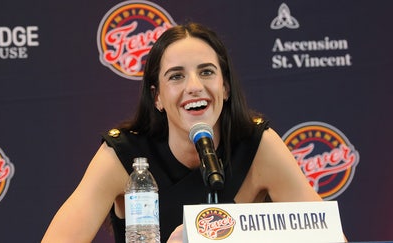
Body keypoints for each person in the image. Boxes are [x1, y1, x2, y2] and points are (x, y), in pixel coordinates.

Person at [42, 22, 325, 243]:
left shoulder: (257, 145)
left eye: (206, 72)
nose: (194, 86)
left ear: (225, 88)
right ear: (157, 97)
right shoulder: (124, 155)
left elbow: (329, 236)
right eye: (176, 76)